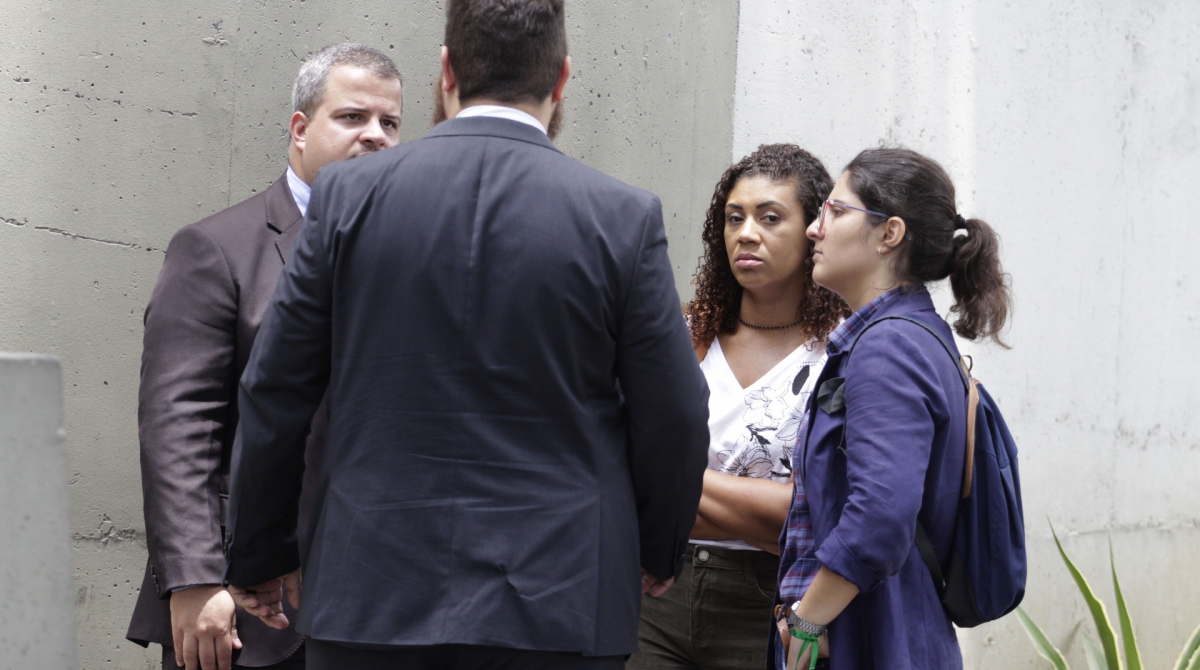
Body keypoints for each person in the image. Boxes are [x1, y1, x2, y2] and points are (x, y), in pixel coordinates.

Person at [222, 1, 711, 669]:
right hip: (560, 601)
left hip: (371, 594)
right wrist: (658, 548)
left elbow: (275, 390)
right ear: (563, 79)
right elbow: (675, 412)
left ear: (447, 72)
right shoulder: (621, 218)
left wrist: (259, 553)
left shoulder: (347, 200)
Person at [125, 43, 404, 670]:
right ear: (301, 130)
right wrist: (197, 579)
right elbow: (179, 425)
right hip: (242, 613)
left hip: (379, 611)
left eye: (390, 123)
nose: (376, 137)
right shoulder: (216, 249)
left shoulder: (412, 259)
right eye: (353, 117)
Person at [775, 147, 1012, 670]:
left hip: (873, 638)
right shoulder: (910, 336)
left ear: (890, 234)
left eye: (836, 211)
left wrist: (807, 621)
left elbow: (880, 516)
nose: (814, 229)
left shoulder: (889, 349)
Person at [628, 144, 847, 670]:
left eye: (770, 217)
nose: (746, 232)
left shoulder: (840, 351)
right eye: (734, 217)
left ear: (813, 229)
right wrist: (760, 511)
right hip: (657, 589)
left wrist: (669, 483)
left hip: (774, 602)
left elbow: (816, 514)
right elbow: (617, 470)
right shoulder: (683, 334)